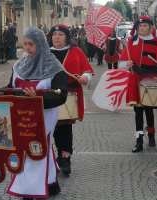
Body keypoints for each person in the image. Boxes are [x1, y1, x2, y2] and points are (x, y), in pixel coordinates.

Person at [0, 26, 68, 199]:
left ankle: (29, 190)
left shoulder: (55, 68)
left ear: (40, 44)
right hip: (18, 117)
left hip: (43, 118)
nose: (27, 48)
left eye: (31, 44)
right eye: (24, 44)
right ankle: (51, 184)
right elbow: (12, 88)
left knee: (35, 149)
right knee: (27, 148)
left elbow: (61, 96)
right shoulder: (19, 66)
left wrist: (38, 99)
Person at [48, 24, 94, 175]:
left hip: (70, 93)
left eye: (60, 34)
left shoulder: (76, 51)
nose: (57, 37)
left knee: (65, 127)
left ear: (67, 37)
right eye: (54, 35)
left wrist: (85, 78)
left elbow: (87, 70)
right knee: (53, 127)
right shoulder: (45, 53)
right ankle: (58, 154)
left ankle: (65, 158)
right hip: (50, 94)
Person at [119, 16, 157, 153]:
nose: (142, 28)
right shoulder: (131, 42)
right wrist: (126, 64)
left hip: (152, 78)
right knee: (138, 111)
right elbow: (121, 63)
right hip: (136, 78)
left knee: (149, 109)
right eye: (140, 26)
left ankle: (151, 134)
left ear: (150, 28)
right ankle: (139, 140)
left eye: (145, 26)